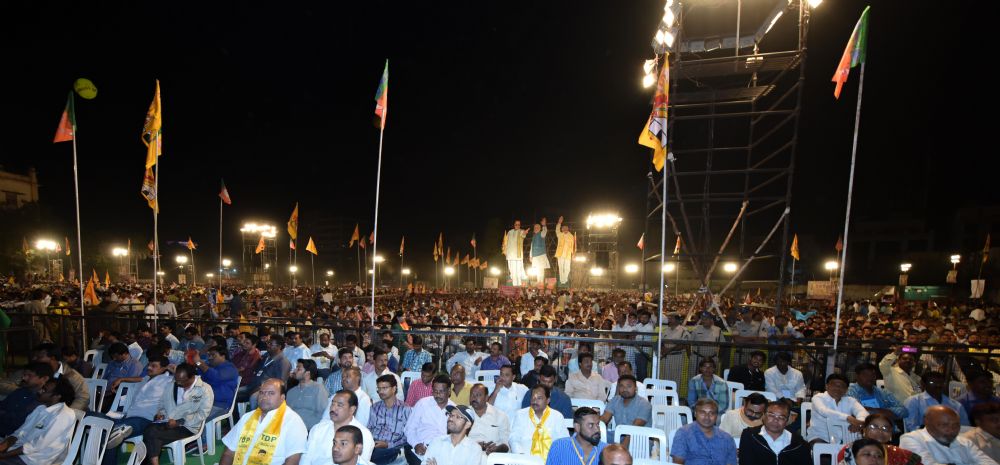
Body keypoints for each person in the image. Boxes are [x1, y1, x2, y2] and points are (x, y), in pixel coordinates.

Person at [221, 378, 308, 465]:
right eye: (262, 393)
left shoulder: (293, 422)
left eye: (271, 393)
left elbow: (292, 461)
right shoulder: (247, 417)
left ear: (282, 398)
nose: (264, 397)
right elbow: (228, 453)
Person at [141, 363, 214, 465]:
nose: (178, 383)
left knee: (151, 433)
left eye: (181, 381)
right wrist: (160, 414)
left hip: (188, 427)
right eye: (176, 379)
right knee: (151, 432)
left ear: (191, 377)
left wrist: (179, 422)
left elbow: (202, 414)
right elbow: (162, 403)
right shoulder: (171, 384)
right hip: (168, 422)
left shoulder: (204, 389)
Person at [899, 405, 998, 465]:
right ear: (927, 422)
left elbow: (990, 463)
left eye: (956, 425)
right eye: (944, 425)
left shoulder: (965, 442)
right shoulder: (911, 439)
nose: (951, 430)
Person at [301, 390, 374, 465]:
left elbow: (361, 462)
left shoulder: (364, 434)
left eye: (339, 405)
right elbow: (306, 458)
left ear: (352, 409)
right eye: (332, 404)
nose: (333, 408)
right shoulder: (318, 429)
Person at [738, 400, 811, 465]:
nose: (776, 420)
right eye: (771, 415)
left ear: (787, 421)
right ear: (763, 416)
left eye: (781, 417)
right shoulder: (750, 436)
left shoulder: (799, 444)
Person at [404, 375, 454, 465]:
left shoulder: (454, 410)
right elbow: (409, 429)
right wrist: (416, 444)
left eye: (441, 391)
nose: (437, 395)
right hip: (422, 447)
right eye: (435, 391)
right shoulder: (422, 404)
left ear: (449, 391)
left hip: (444, 450)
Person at [510, 385, 569, 460]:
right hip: (525, 460)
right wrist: (521, 456)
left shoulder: (557, 416)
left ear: (548, 400)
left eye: (539, 398)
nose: (535, 401)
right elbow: (514, 439)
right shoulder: (520, 414)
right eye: (533, 398)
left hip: (551, 460)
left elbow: (564, 442)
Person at [839, 413, 922, 465]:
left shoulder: (899, 453)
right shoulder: (850, 450)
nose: (880, 431)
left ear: (891, 435)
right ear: (864, 430)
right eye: (874, 427)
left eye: (885, 428)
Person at [809, 373, 868, 444]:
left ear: (846, 390)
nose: (837, 388)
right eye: (834, 385)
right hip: (821, 437)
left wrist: (859, 423)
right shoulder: (818, 398)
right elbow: (823, 411)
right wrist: (847, 418)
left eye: (842, 386)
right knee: (821, 448)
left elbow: (863, 412)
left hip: (847, 438)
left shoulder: (850, 400)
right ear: (826, 386)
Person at [30, 343, 89, 412]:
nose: (34, 359)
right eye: (35, 356)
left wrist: (68, 413)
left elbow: (83, 398)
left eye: (39, 357)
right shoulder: (36, 374)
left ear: (53, 358)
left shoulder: (72, 376)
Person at [904, 371, 970, 432]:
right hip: (922, 439)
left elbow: (965, 429)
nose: (938, 385)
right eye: (932, 383)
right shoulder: (914, 401)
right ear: (923, 384)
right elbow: (912, 428)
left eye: (941, 382)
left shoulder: (956, 405)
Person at [194, 345, 240, 429]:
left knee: (196, 419)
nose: (210, 358)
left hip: (220, 405)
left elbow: (216, 376)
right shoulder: (210, 367)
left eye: (213, 355)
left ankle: (200, 437)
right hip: (205, 401)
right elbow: (199, 377)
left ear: (223, 356)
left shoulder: (230, 368)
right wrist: (196, 363)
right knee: (187, 413)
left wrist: (199, 362)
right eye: (209, 355)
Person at [368, 375, 410, 465]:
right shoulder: (375, 407)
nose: (381, 392)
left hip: (393, 447)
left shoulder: (405, 409)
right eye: (379, 388)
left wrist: (388, 444)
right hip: (374, 445)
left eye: (384, 388)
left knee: (371, 456)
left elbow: (408, 436)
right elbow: (369, 428)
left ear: (394, 389)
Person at [0, 363, 51, 437]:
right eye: (24, 375)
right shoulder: (21, 391)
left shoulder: (42, 400)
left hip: (12, 436)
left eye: (29, 375)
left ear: (44, 378)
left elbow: (18, 422)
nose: (24, 378)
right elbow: (3, 405)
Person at [601, 375, 652, 447]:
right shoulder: (615, 400)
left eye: (629, 386)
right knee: (596, 435)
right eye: (622, 386)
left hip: (639, 438)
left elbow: (635, 427)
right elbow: (604, 418)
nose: (625, 389)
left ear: (636, 388)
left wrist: (621, 448)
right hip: (619, 435)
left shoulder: (644, 404)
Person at [239, 335, 291, 404]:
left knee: (254, 398)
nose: (268, 345)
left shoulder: (283, 362)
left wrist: (262, 388)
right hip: (252, 386)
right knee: (232, 393)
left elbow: (280, 383)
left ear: (279, 347)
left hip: (266, 390)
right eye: (268, 343)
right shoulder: (265, 357)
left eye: (271, 344)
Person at [467, 383, 510, 454]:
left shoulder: (500, 416)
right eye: (472, 395)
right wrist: (475, 446)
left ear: (486, 397)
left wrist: (497, 449)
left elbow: (505, 444)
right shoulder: (464, 415)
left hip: (493, 456)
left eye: (478, 395)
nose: (474, 398)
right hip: (469, 454)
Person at [286, 360, 329, 430]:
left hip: (310, 429)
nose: (295, 370)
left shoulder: (318, 389)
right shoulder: (291, 392)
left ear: (307, 373)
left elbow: (323, 413)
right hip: (290, 428)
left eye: (298, 369)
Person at [503, 220, 529, 286]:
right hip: (509, 254)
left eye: (518, 224)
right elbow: (505, 242)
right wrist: (505, 250)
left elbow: (523, 235)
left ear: (520, 225)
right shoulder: (510, 232)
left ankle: (517, 285)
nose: (517, 225)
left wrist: (525, 233)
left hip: (517, 255)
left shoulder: (521, 231)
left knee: (517, 270)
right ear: (514, 225)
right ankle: (514, 284)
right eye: (516, 224)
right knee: (512, 270)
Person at [553, 216, 575, 286]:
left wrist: (573, 254)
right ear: (562, 229)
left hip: (568, 254)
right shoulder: (560, 234)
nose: (565, 229)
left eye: (566, 228)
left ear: (568, 229)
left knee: (567, 268)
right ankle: (562, 280)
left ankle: (565, 279)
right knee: (561, 268)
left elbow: (573, 246)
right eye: (563, 228)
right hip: (560, 254)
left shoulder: (571, 236)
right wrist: (559, 223)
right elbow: (557, 229)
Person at [528, 219, 550, 286]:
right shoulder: (533, 237)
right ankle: (538, 283)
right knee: (537, 271)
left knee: (541, 270)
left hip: (541, 255)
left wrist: (544, 225)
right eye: (535, 227)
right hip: (535, 256)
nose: (536, 228)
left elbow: (545, 231)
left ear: (540, 228)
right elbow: (531, 247)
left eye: (537, 227)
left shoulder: (541, 234)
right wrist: (530, 256)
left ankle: (541, 283)